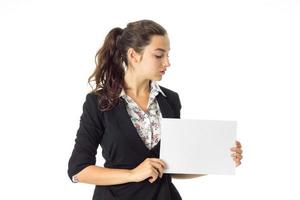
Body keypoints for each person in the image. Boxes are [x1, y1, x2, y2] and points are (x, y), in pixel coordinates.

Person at [67, 19, 243, 200]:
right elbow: (78, 170)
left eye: (168, 55)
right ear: (133, 55)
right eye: (159, 55)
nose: (167, 63)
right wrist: (133, 174)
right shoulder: (98, 102)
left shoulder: (170, 100)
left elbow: (172, 166)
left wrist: (219, 160)